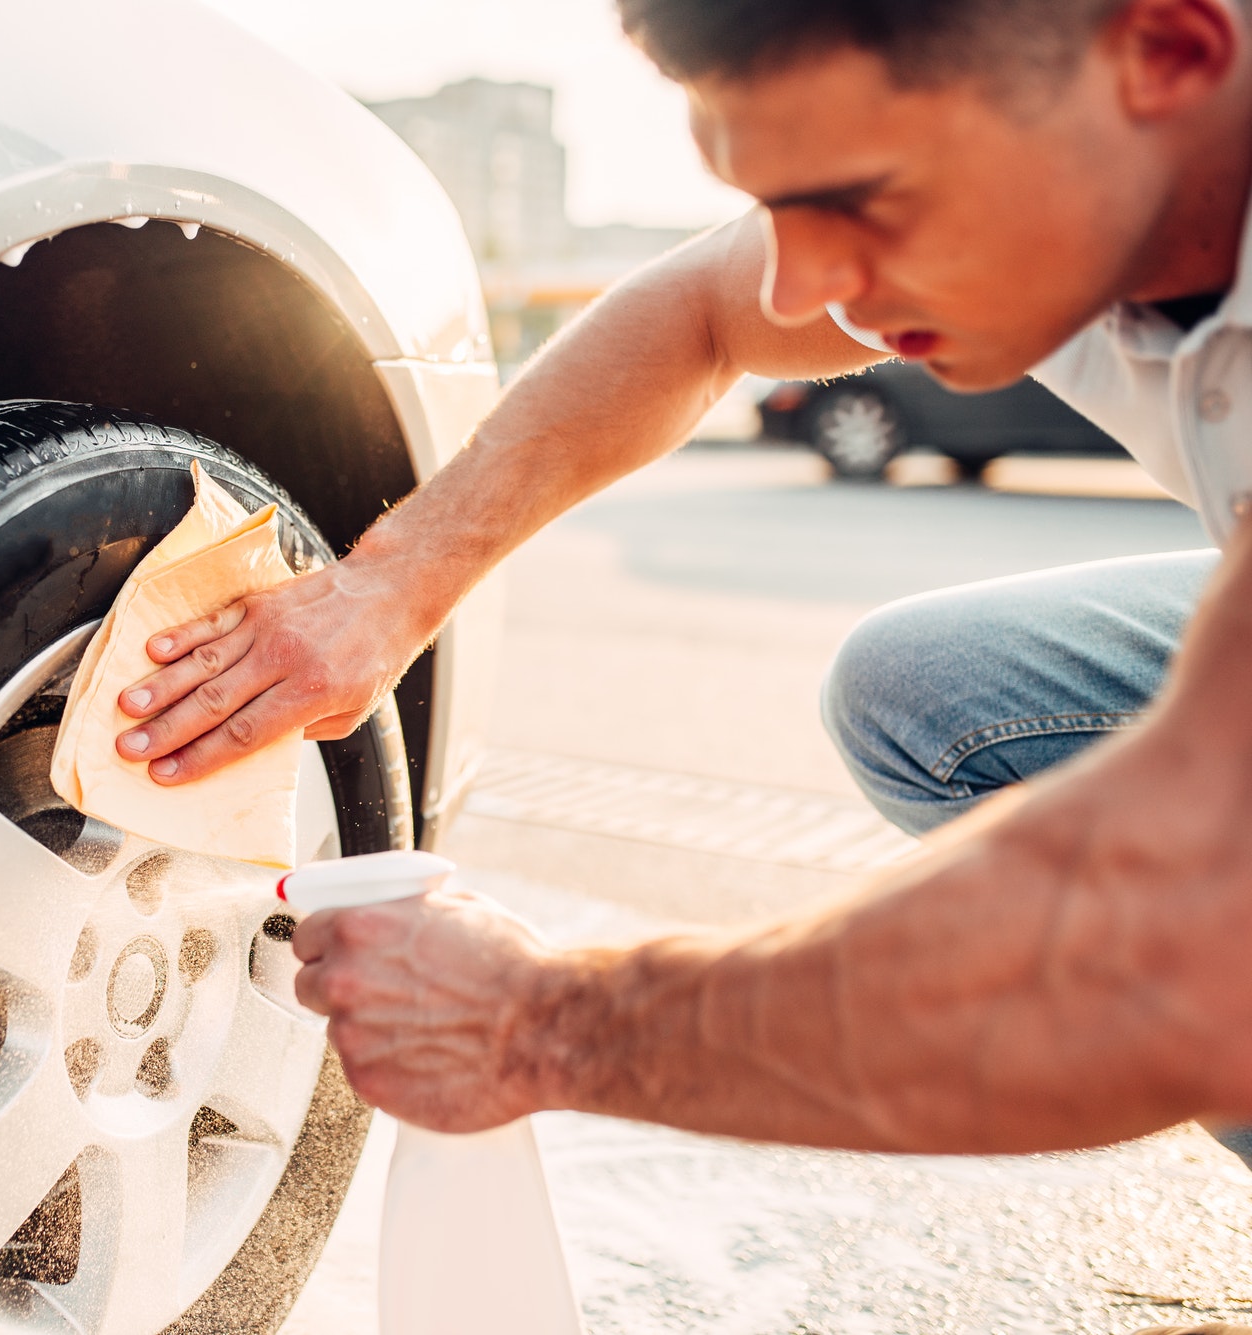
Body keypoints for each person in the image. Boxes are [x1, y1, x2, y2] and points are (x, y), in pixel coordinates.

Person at [114, 1, 1252, 1326]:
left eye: (868, 201)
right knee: (931, 695)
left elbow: (1176, 953)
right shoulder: (1095, 163)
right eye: (780, 205)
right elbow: (704, 313)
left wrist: (537, 1024)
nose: (806, 291)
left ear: (1167, 55)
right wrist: (388, 585)